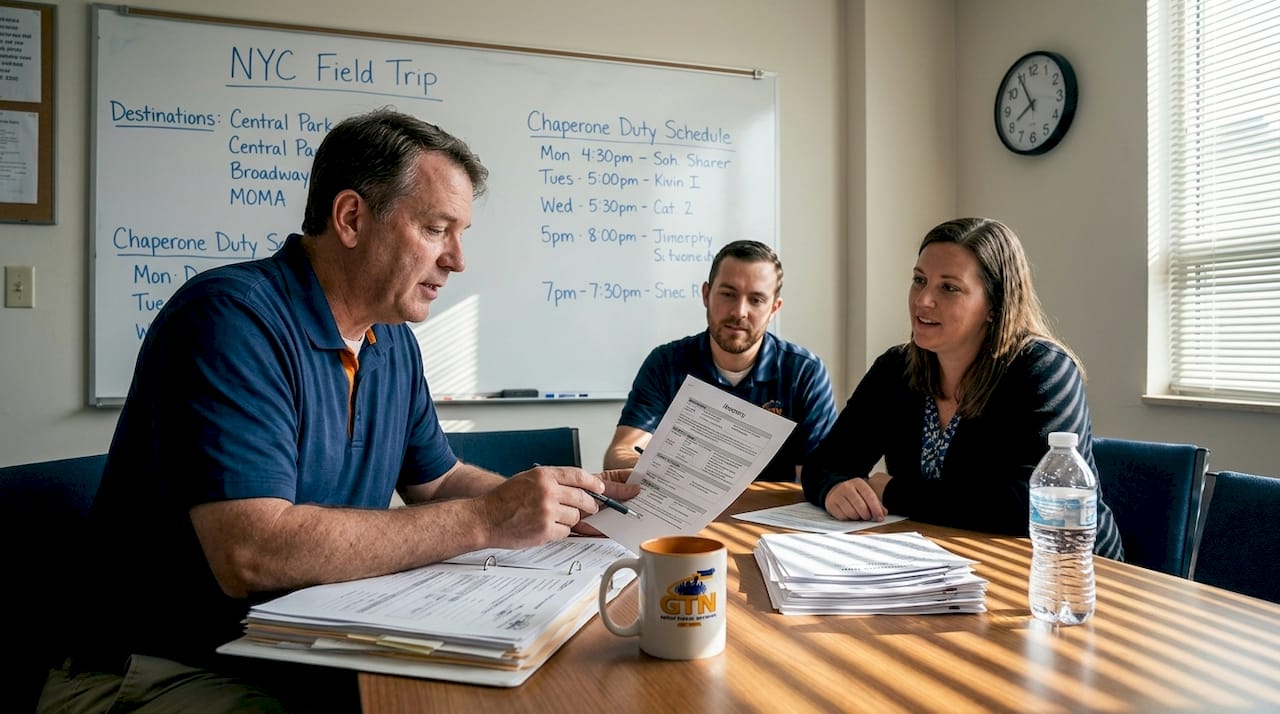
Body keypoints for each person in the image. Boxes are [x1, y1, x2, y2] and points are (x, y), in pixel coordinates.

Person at [39, 109, 637, 713]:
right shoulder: (230, 320)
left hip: (302, 649)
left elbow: (438, 482)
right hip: (157, 669)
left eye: (461, 234)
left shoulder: (390, 338)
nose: (457, 260)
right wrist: (489, 518)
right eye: (436, 229)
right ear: (351, 218)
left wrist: (558, 511)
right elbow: (252, 552)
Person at [801, 217, 1123, 559]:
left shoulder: (1044, 369)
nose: (923, 300)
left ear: (994, 305)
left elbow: (1032, 504)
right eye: (919, 280)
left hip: (1065, 573)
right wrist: (832, 487)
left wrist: (893, 491)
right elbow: (825, 462)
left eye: (948, 288)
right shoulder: (896, 368)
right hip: (944, 562)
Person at [603, 240, 837, 482]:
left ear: (774, 308)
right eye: (728, 294)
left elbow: (823, 469)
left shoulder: (804, 372)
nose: (739, 312)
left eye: (756, 300)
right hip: (683, 510)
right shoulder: (666, 363)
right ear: (706, 294)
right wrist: (656, 470)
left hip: (771, 515)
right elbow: (619, 454)